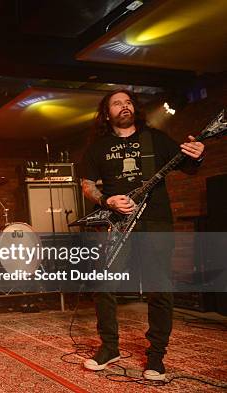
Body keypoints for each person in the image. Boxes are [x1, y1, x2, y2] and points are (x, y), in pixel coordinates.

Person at [80, 89, 205, 380]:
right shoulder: (98, 147)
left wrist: (197, 155)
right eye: (116, 103)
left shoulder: (156, 139)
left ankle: (156, 357)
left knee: (159, 289)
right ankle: (109, 347)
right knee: (104, 285)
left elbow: (188, 167)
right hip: (119, 226)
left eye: (128, 102)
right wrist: (107, 200)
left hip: (156, 224)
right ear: (106, 113)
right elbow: (87, 184)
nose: (124, 106)